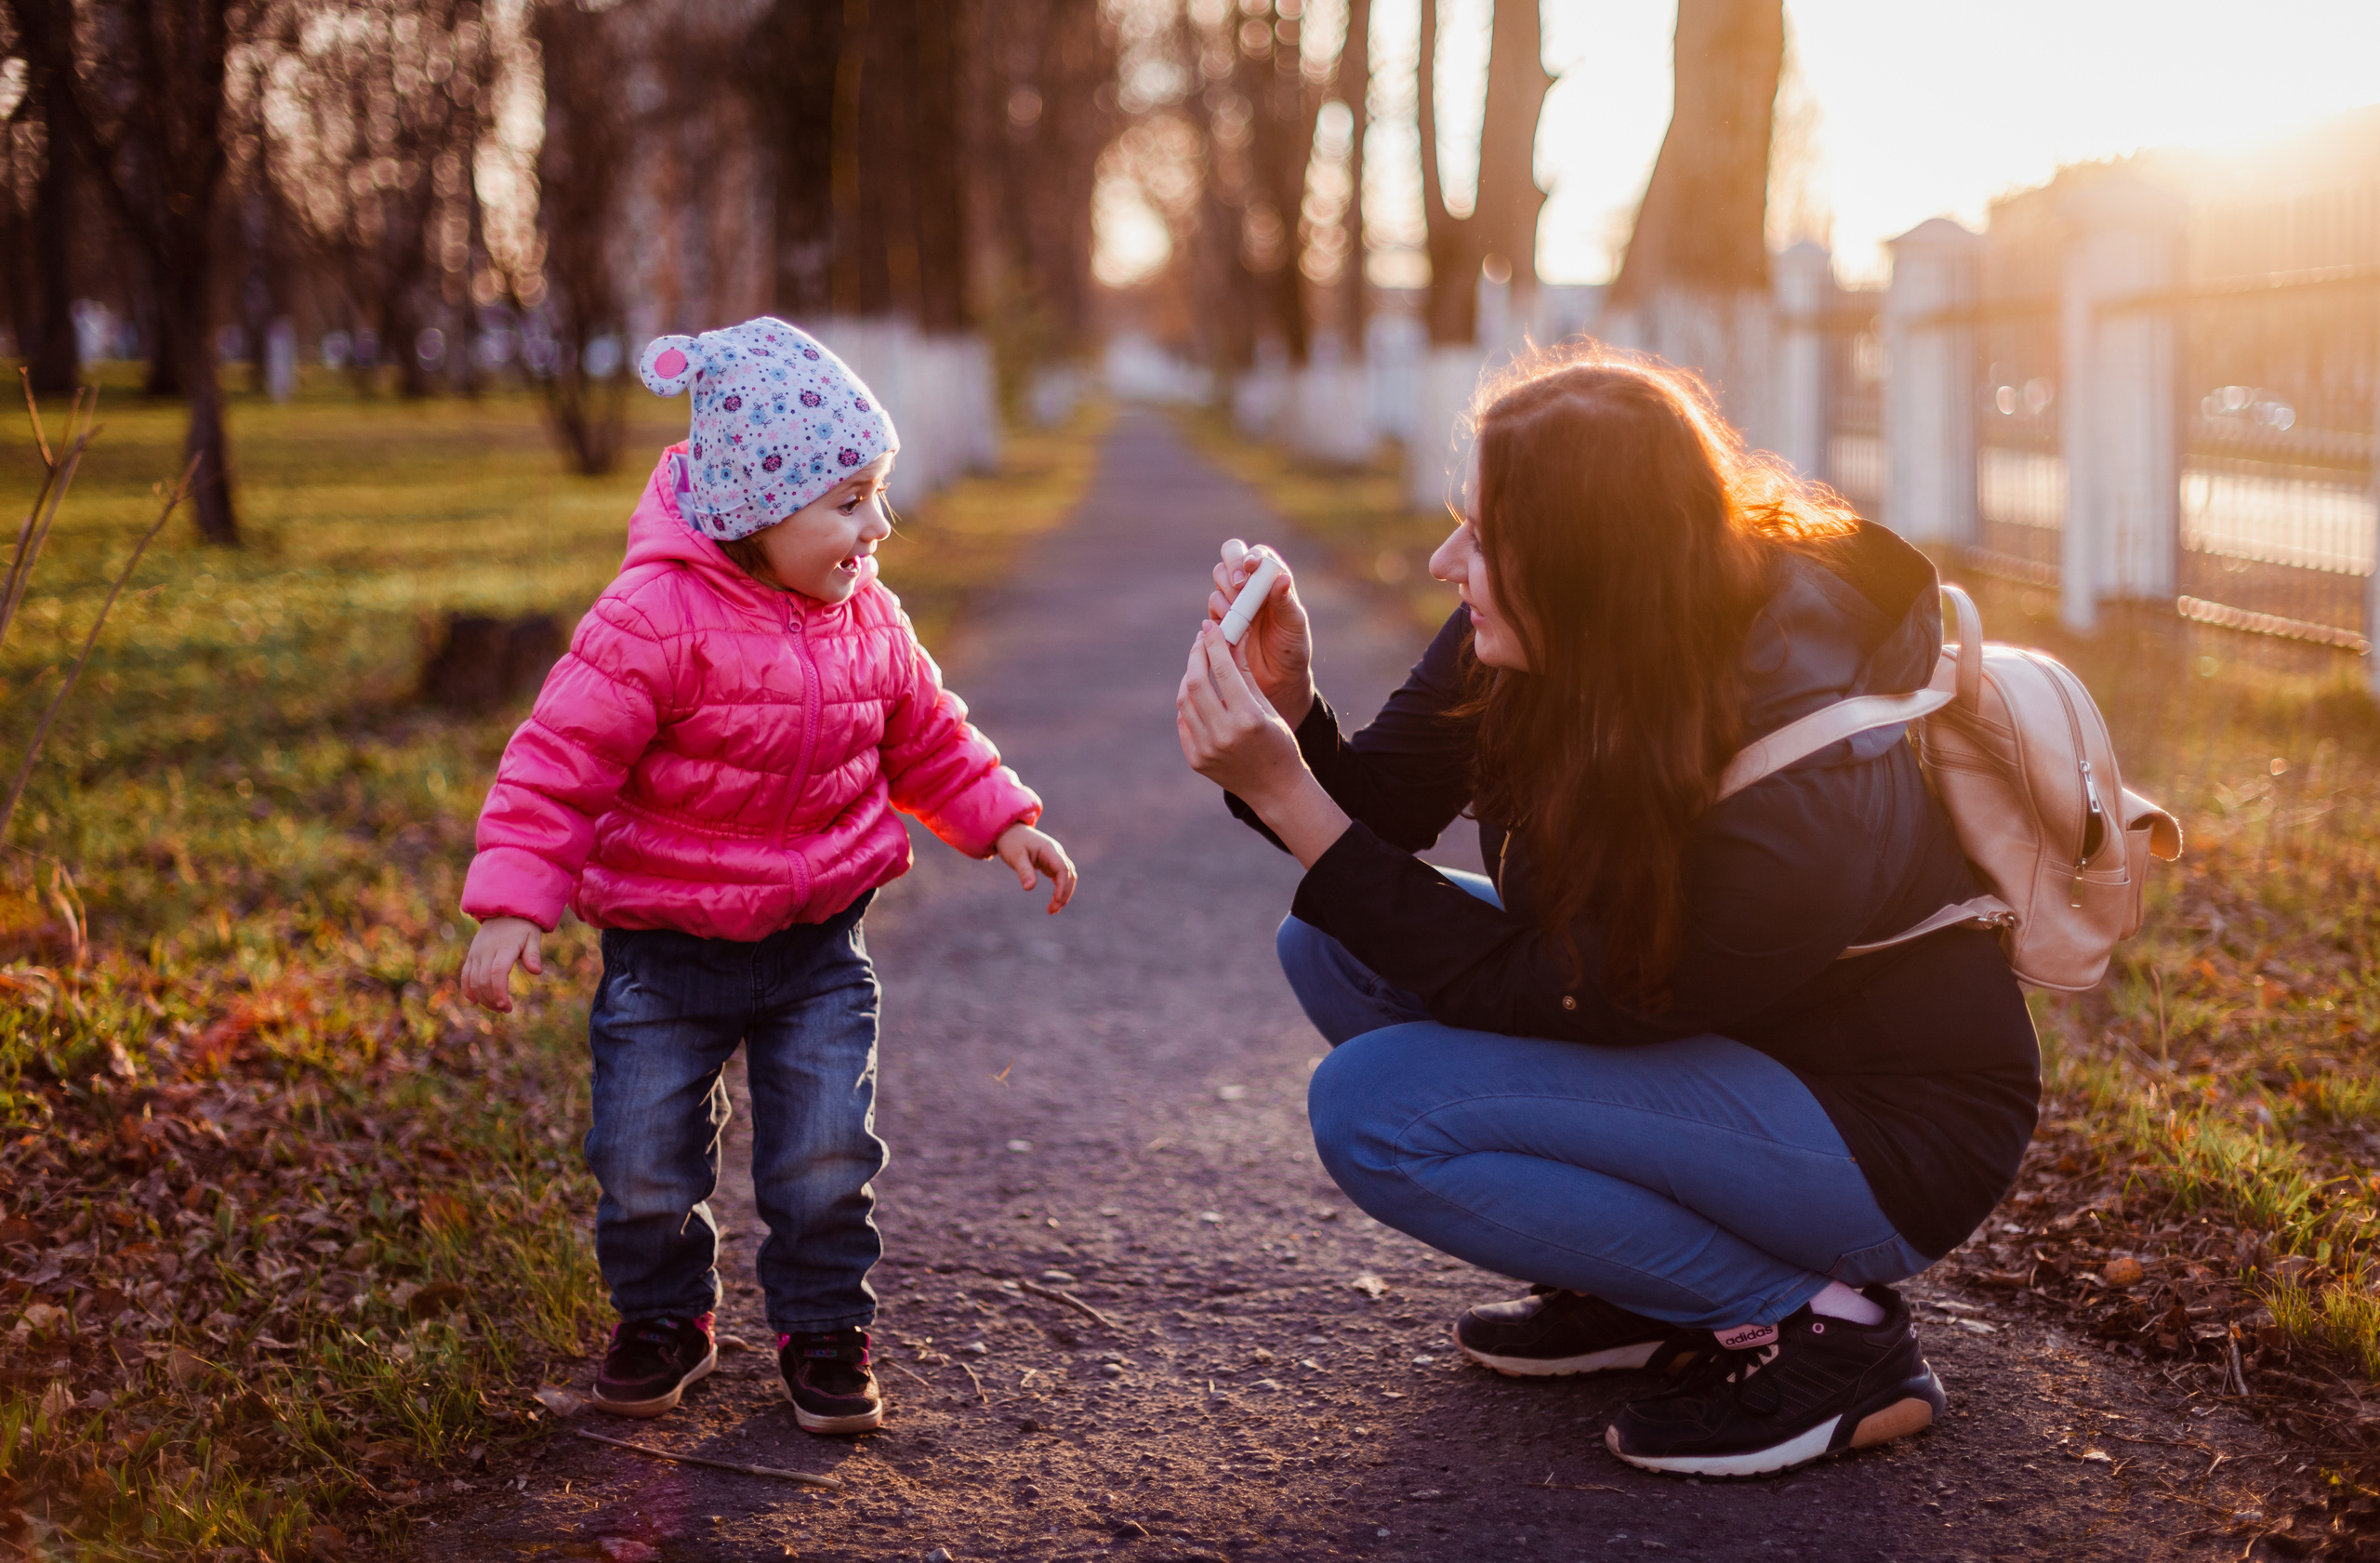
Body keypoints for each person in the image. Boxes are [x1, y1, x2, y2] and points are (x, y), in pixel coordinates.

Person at [1175, 347, 2036, 1478]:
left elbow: (1564, 996)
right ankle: (1647, 1288)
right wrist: (1291, 716)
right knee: (1333, 940)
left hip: (1875, 1133)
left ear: (1591, 561)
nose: (1446, 561)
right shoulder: (1561, 627)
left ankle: (1825, 1331)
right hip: (1714, 1036)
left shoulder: (1807, 777)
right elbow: (1382, 817)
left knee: (1374, 1113)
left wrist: (1281, 792)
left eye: (1481, 538)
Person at [458, 318, 1076, 1433]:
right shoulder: (652, 620)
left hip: (816, 950)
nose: (877, 526)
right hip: (665, 953)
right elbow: (559, 763)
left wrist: (1000, 822)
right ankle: (662, 1316)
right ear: (752, 511)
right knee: (643, 1161)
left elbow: (928, 739)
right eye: (848, 502)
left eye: (877, 492)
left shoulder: (870, 619)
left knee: (825, 1154)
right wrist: (512, 902)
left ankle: (826, 1327)